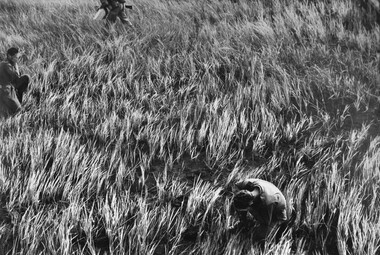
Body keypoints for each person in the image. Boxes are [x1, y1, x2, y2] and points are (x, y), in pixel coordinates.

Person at [0, 47, 30, 118]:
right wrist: (15, 65)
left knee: (26, 78)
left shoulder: (4, 64)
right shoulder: (7, 65)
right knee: (19, 111)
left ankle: (16, 100)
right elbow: (16, 77)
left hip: (7, 90)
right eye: (16, 57)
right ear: (9, 56)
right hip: (5, 91)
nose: (17, 59)